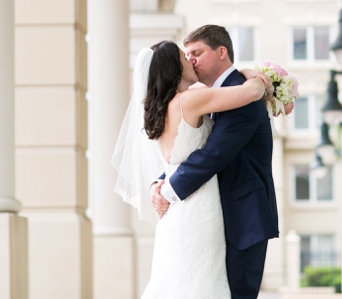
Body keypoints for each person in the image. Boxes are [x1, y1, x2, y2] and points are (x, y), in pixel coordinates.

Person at [112, 33, 276, 299]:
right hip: (197, 203)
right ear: (174, 68)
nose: (190, 60)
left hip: (177, 210)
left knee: (180, 281)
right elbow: (253, 92)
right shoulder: (191, 100)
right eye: (184, 57)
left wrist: (160, 185)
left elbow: (176, 159)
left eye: (194, 54)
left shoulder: (159, 108)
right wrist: (255, 77)